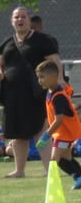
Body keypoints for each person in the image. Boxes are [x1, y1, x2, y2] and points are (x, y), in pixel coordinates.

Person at [0, 6, 61, 178]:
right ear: (12, 21)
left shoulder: (43, 40)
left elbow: (55, 62)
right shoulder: (6, 42)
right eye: (16, 17)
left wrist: (59, 83)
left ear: (29, 21)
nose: (20, 20)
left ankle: (49, 170)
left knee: (41, 130)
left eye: (23, 17)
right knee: (17, 134)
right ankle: (19, 170)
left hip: (37, 94)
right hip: (13, 95)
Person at [35, 60, 81, 189]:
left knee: (55, 159)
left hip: (64, 132)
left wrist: (46, 135)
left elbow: (59, 119)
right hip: (63, 132)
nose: (40, 80)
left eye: (42, 77)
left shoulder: (58, 96)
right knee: (66, 156)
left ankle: (54, 185)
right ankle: (78, 176)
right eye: (38, 77)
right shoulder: (51, 91)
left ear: (53, 77)